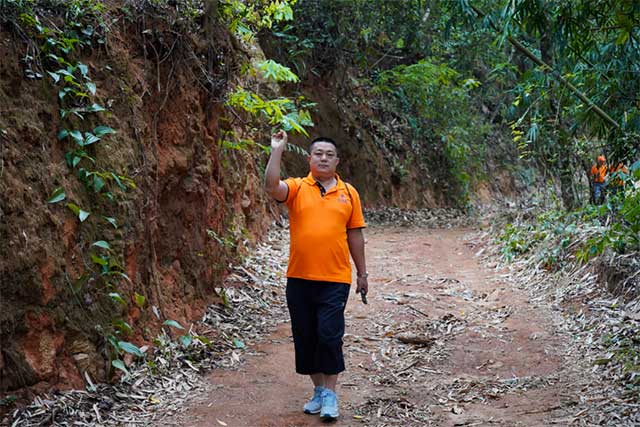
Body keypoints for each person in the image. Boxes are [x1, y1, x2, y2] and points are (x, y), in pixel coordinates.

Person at [264, 130, 368, 421]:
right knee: (306, 337)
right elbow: (272, 186)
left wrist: (363, 273)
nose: (323, 158)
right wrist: (276, 151)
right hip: (299, 278)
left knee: (330, 335)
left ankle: (331, 395)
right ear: (309, 159)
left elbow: (355, 234)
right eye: (318, 153)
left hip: (335, 278)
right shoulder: (298, 188)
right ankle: (319, 390)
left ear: (338, 161)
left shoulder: (349, 193)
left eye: (329, 154)